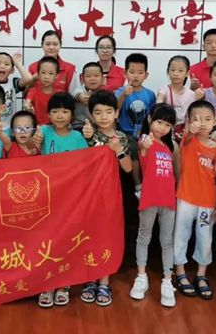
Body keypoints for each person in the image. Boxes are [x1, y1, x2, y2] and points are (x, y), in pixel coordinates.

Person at [33, 92, 88, 308]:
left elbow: (87, 164)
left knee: (66, 239)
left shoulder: (78, 138)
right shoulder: (43, 132)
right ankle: (46, 283)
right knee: (46, 240)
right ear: (48, 114)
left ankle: (64, 284)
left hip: (70, 199)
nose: (60, 116)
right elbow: (31, 152)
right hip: (46, 196)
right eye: (55, 111)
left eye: (65, 111)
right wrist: (34, 141)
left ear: (72, 114)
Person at [80, 90, 133, 307]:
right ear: (91, 114)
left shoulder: (121, 138)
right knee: (88, 236)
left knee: (107, 236)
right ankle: (89, 278)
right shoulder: (86, 134)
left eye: (108, 112)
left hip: (110, 194)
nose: (103, 117)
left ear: (116, 113)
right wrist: (85, 137)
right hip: (87, 195)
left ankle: (104, 281)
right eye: (98, 112)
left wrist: (118, 150)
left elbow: (128, 168)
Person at [127, 103, 178, 308]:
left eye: (167, 125)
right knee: (144, 237)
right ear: (149, 120)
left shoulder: (168, 147)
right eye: (159, 122)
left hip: (169, 201)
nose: (162, 128)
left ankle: (167, 280)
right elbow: (143, 144)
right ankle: (141, 277)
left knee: (167, 241)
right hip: (149, 200)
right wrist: (145, 142)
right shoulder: (145, 140)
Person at [173, 100, 216, 301]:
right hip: (185, 198)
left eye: (207, 119)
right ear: (188, 121)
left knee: (205, 239)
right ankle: (180, 272)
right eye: (196, 119)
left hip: (208, 202)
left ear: (215, 121)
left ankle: (201, 274)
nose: (202, 123)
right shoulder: (188, 140)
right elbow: (186, 137)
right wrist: (189, 131)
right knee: (181, 236)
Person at [115, 53, 156, 191]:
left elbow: (152, 116)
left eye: (140, 72)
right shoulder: (120, 91)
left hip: (144, 133)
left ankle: (152, 183)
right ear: (125, 73)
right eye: (132, 72)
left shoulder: (150, 94)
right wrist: (124, 94)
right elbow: (115, 108)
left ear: (146, 75)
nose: (136, 76)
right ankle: (138, 185)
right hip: (125, 133)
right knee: (133, 147)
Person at [0, 52, 33, 128]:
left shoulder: (13, 83)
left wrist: (16, 63)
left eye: (6, 64)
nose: (2, 66)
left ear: (12, 70)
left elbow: (28, 79)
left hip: (9, 127)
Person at [156, 55, 196, 142]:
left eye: (180, 71)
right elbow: (159, 102)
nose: (176, 74)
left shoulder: (192, 95)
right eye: (172, 70)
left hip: (183, 133)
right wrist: (159, 105)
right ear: (168, 71)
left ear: (187, 73)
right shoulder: (164, 89)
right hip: (165, 132)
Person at [25, 56, 58, 125]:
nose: (46, 77)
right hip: (37, 127)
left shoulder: (59, 94)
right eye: (43, 72)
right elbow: (27, 102)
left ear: (56, 76)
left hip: (54, 127)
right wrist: (27, 105)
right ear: (38, 74)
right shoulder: (33, 91)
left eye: (51, 73)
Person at [72, 62, 104, 131]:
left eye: (96, 76)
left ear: (102, 79)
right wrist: (80, 97)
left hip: (98, 126)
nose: (92, 79)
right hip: (79, 126)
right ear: (82, 79)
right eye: (88, 76)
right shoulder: (79, 90)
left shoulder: (104, 94)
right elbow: (75, 95)